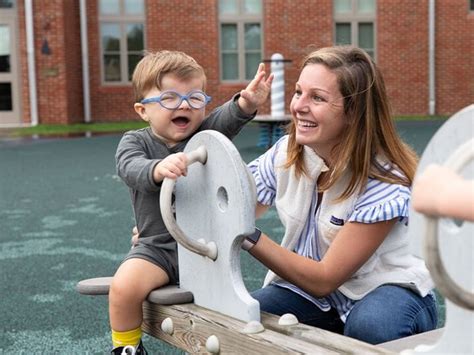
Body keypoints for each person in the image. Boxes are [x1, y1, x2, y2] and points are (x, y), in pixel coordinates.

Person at [242, 46, 438, 345]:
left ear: (353, 112)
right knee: (248, 316)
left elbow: (324, 278)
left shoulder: (384, 182)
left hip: (386, 290)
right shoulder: (286, 154)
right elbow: (229, 199)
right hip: (311, 295)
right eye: (298, 92)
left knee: (371, 326)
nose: (299, 106)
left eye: (317, 98)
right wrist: (165, 230)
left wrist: (246, 234)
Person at [110, 50, 272, 354]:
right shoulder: (136, 142)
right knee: (123, 287)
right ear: (143, 110)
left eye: (195, 98)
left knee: (224, 300)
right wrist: (156, 169)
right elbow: (129, 167)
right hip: (159, 249)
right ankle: (126, 347)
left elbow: (226, 120)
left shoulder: (203, 136)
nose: (184, 105)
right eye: (169, 98)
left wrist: (246, 103)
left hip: (203, 248)